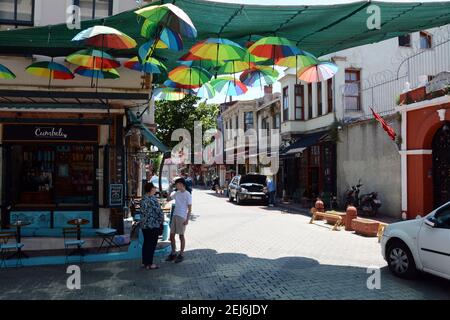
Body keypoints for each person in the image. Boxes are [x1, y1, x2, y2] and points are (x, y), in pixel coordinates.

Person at [166, 177, 192, 263]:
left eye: (177, 185)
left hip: (182, 217)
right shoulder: (177, 193)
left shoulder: (187, 194)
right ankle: (173, 253)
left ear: (181, 184)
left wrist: (187, 219)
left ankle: (181, 254)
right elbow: (168, 199)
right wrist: (169, 192)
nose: (176, 186)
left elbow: (190, 209)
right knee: (171, 236)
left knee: (181, 236)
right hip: (175, 215)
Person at [140, 182, 164, 270]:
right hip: (152, 225)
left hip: (144, 225)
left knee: (146, 243)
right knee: (152, 244)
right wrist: (162, 220)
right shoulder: (152, 199)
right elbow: (159, 212)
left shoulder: (143, 198)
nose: (155, 189)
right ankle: (149, 264)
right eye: (154, 188)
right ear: (151, 189)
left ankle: (145, 262)